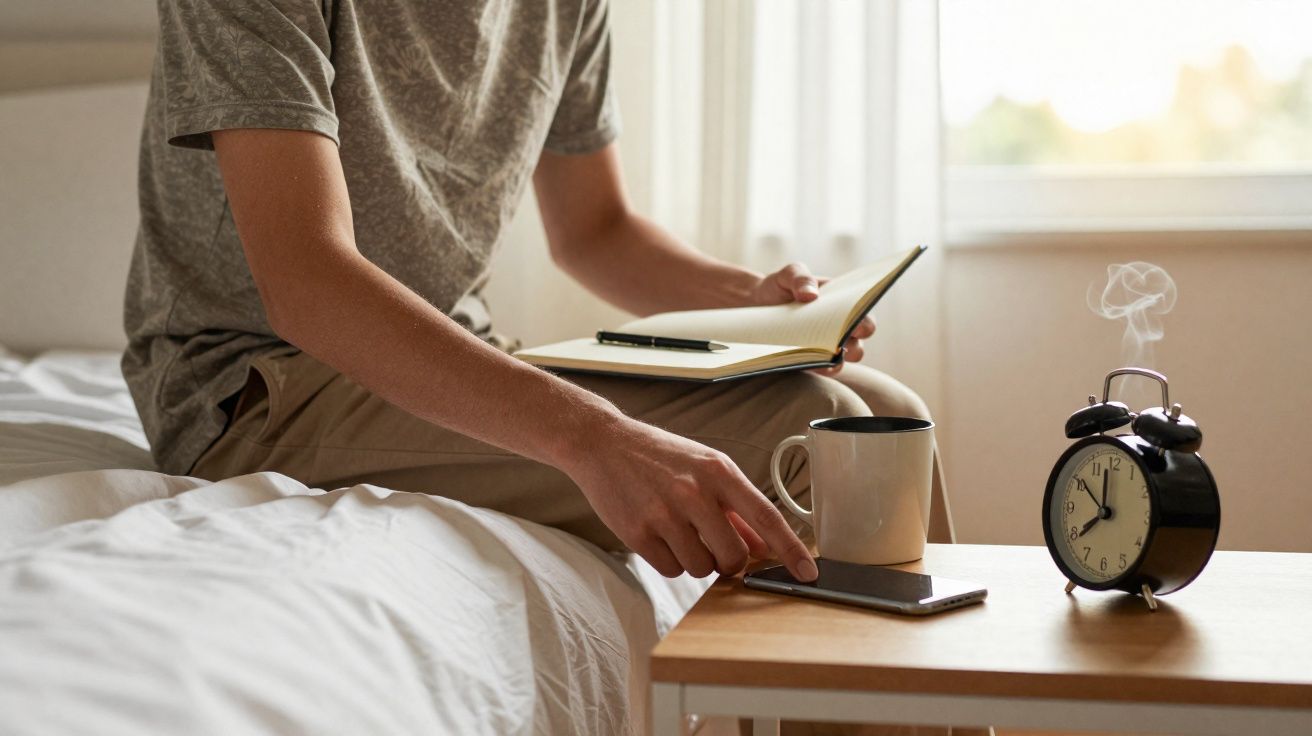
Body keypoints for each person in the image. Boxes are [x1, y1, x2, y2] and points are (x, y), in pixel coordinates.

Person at [124, 0, 951, 590]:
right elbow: (307, 281)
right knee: (823, 432)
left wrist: (763, 300)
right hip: (262, 390)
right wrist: (595, 439)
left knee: (882, 409)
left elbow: (596, 232)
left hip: (456, 352)